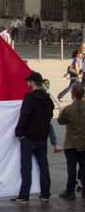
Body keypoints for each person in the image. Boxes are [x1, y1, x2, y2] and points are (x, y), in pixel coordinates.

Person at [13, 72, 55, 204]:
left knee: (26, 167)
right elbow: (49, 118)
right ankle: (45, 194)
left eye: (28, 82)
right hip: (42, 137)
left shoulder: (30, 98)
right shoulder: (48, 100)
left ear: (32, 82)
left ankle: (24, 196)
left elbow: (24, 116)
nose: (27, 84)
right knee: (44, 167)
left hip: (29, 137)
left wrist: (19, 132)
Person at [57, 83, 85, 200]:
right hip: (83, 143)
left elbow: (60, 121)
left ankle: (70, 191)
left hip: (71, 144)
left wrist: (61, 111)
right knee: (84, 168)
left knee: (71, 169)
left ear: (72, 94)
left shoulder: (68, 109)